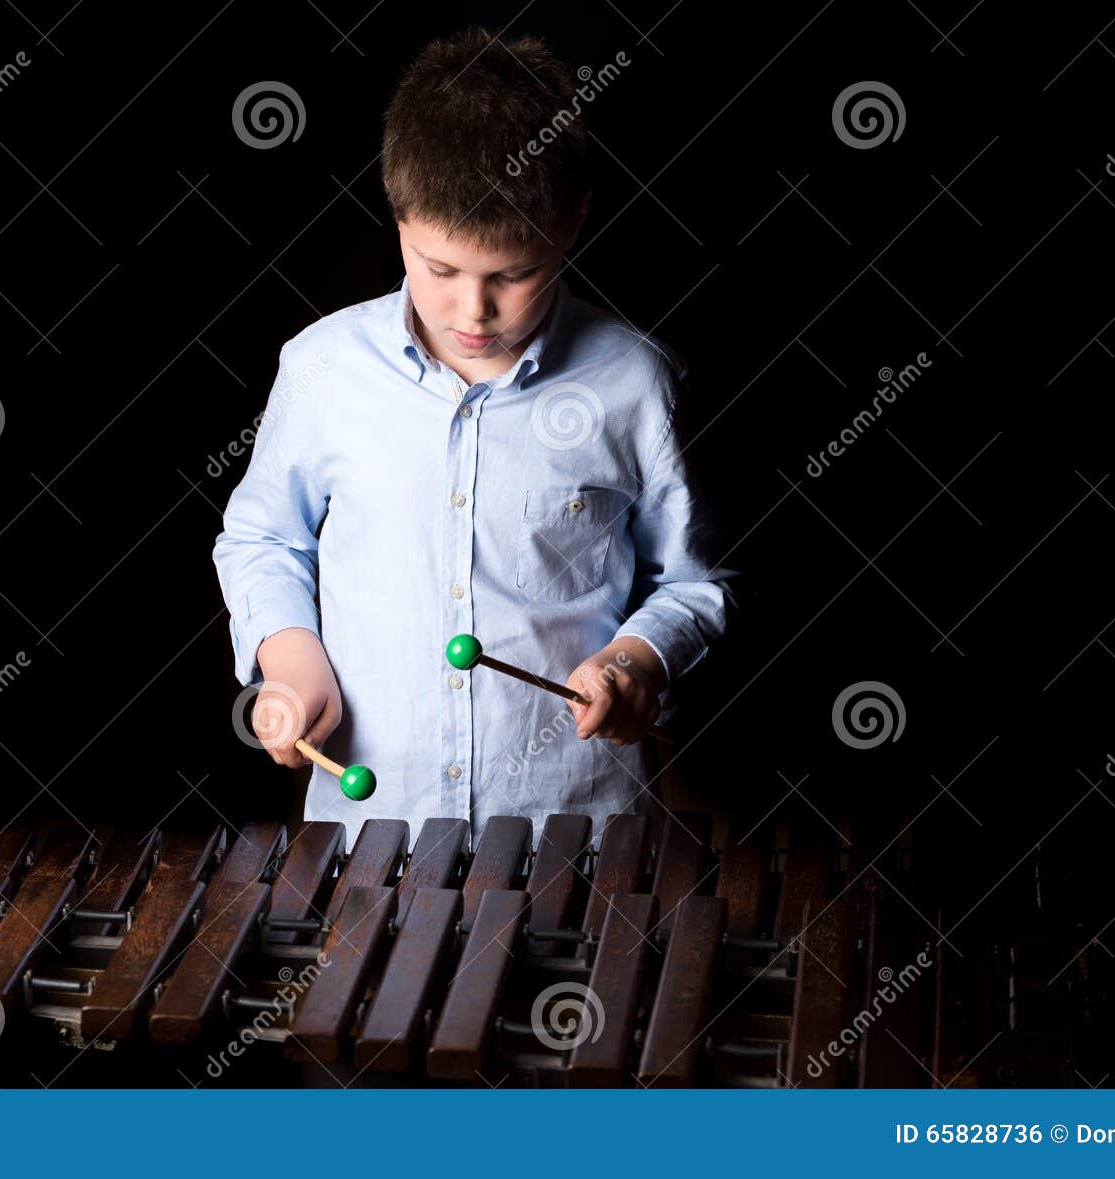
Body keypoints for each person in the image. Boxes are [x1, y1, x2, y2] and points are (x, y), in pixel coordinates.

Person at [213, 28, 736, 843]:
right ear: (398, 221)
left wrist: (637, 661)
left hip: (577, 832)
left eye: (513, 274)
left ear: (572, 224)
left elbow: (696, 584)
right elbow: (260, 537)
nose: (472, 311)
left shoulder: (634, 382)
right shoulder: (321, 370)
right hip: (371, 831)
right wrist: (289, 658)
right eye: (441, 269)